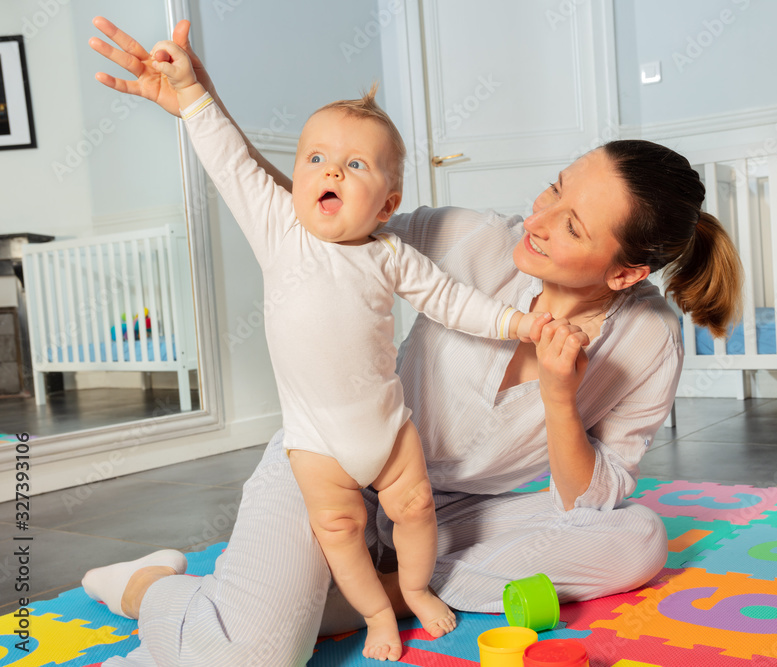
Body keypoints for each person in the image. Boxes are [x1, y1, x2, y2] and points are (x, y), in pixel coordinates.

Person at [82, 15, 743, 667]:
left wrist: (562, 398)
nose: (536, 219)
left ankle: (371, 594)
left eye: (569, 225)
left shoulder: (649, 339)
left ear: (625, 271)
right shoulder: (467, 237)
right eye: (555, 186)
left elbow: (589, 498)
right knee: (251, 656)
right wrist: (199, 101)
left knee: (637, 540)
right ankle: (154, 587)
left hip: (452, 512)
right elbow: (313, 215)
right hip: (333, 464)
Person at [85, 36, 549, 662]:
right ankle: (377, 613)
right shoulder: (280, 230)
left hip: (389, 431)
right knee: (341, 532)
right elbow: (231, 163)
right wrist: (193, 95)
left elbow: (452, 301)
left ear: (387, 204)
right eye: (317, 159)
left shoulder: (389, 254)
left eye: (355, 166)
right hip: (316, 444)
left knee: (414, 509)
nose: (331, 171)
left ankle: (414, 588)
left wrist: (519, 324)